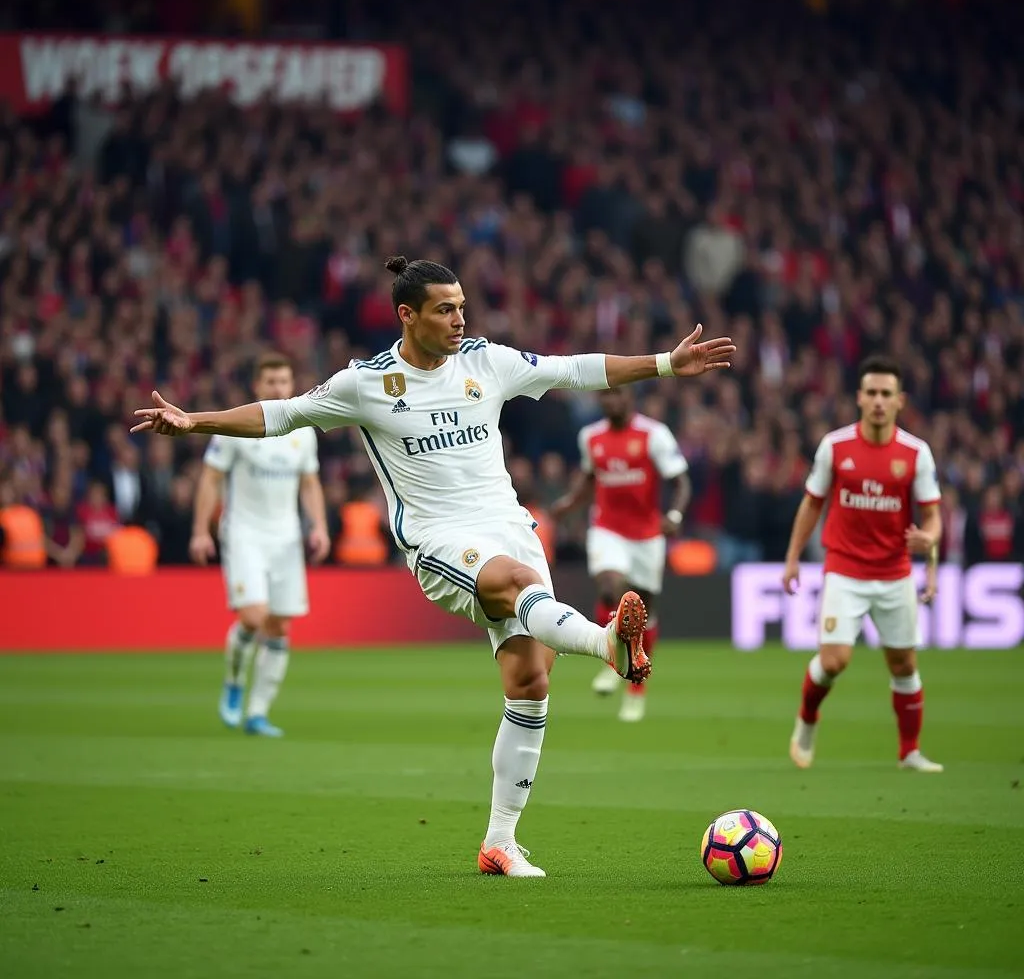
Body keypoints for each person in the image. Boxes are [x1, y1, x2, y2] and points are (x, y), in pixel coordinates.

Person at [132, 256, 735, 877]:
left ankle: (500, 842)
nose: (459, 319)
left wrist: (665, 363)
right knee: (517, 584)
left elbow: (575, 370)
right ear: (407, 315)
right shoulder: (365, 384)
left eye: (462, 306)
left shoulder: (486, 362)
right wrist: (195, 421)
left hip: (511, 527)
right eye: (445, 308)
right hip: (438, 541)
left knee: (530, 683)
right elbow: (280, 415)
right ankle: (608, 643)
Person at [782, 354, 943, 773]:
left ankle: (909, 751)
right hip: (845, 569)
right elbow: (812, 504)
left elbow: (933, 515)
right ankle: (808, 718)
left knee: (904, 664)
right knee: (834, 661)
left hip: (894, 573)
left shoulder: (915, 453)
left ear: (899, 400)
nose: (877, 400)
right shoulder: (835, 447)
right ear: (858, 396)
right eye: (870, 392)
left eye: (885, 394)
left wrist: (930, 540)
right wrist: (793, 557)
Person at [189, 352, 330, 738]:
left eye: (284, 381)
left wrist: (319, 526)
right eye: (270, 382)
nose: (278, 388)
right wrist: (201, 530)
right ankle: (235, 681)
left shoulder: (302, 432)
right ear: (257, 386)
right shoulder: (235, 426)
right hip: (244, 534)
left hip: (285, 537)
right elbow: (211, 479)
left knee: (280, 626)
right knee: (253, 617)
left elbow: (309, 483)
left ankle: (258, 712)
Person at [551, 386, 690, 722]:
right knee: (610, 589)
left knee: (645, 612)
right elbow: (589, 479)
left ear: (630, 398)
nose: (612, 401)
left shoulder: (654, 435)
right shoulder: (591, 437)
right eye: (606, 397)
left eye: (618, 396)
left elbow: (681, 481)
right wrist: (569, 504)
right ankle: (612, 658)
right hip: (606, 529)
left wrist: (674, 516)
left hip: (647, 535)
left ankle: (636, 690)